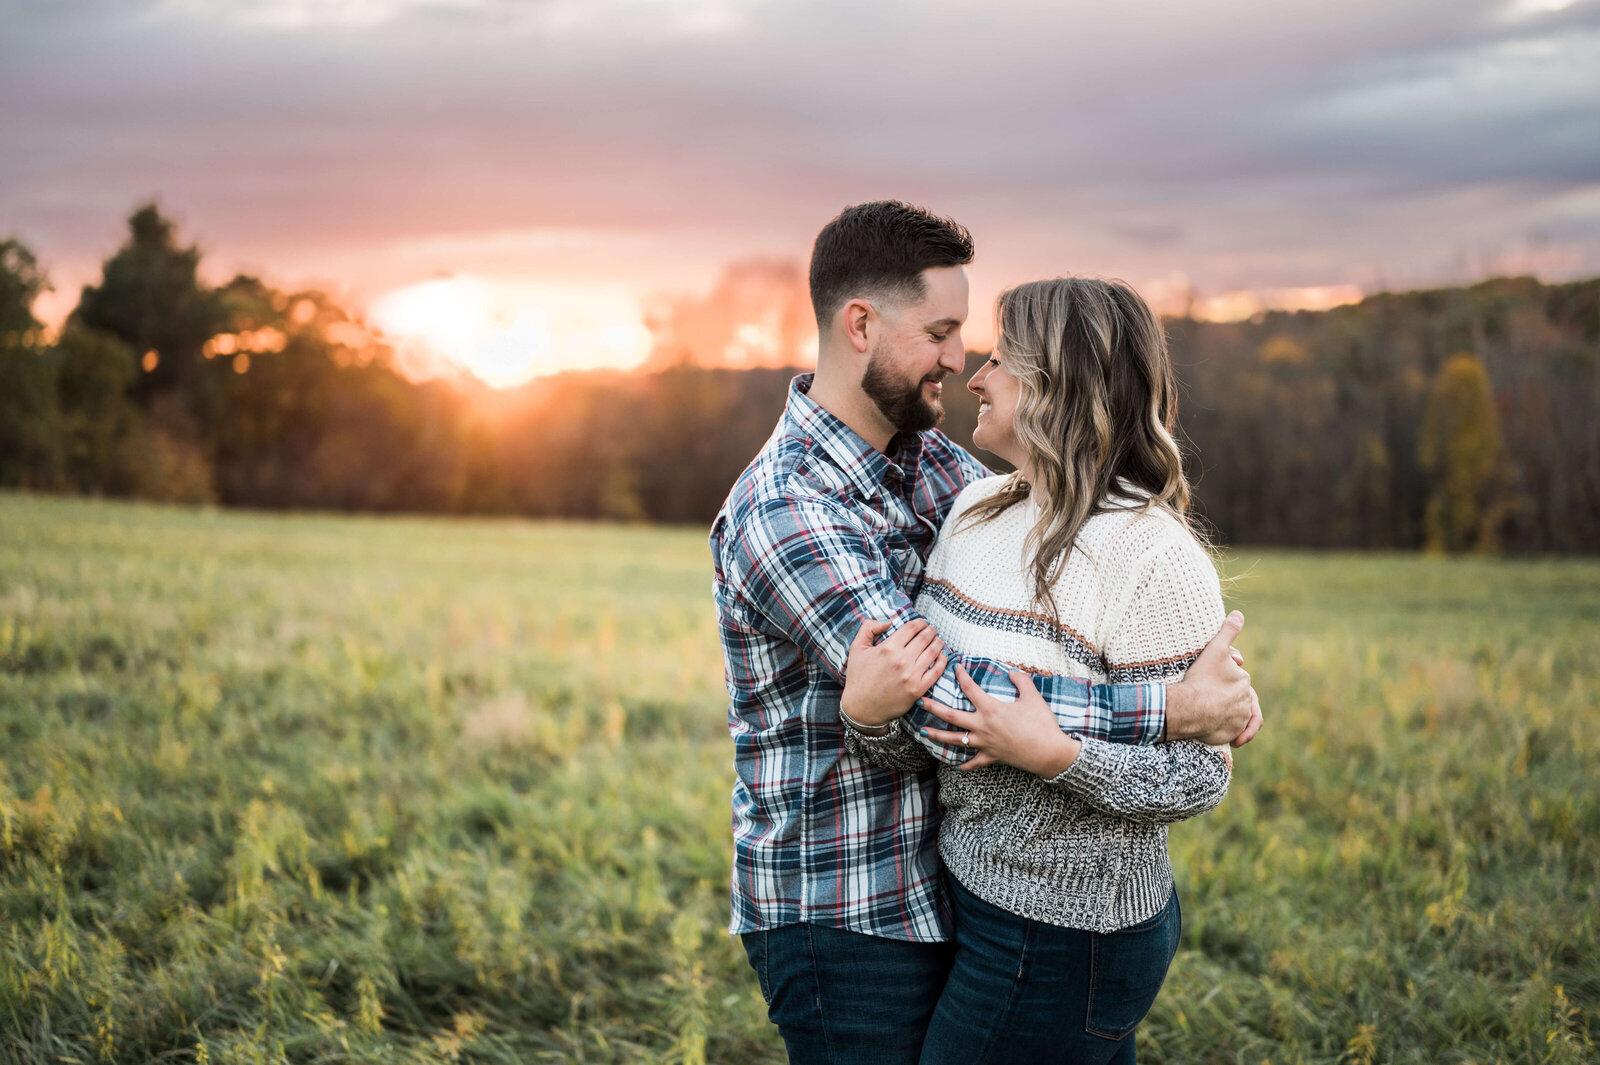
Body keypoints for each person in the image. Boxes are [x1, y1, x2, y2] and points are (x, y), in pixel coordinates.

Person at [708, 202, 1261, 1065]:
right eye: (941, 330)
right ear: (861, 325)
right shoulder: (787, 507)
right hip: (846, 904)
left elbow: (1054, 582)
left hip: (962, 887)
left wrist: (1192, 686)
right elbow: (943, 694)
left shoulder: (943, 469)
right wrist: (1169, 705)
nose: (960, 360)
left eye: (975, 339)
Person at [839, 276, 1236, 1062]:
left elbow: (1200, 773)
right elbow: (939, 722)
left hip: (1073, 932)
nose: (975, 375)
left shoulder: (1153, 557)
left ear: (1058, 384)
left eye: (999, 357)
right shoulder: (973, 515)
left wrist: (1059, 756)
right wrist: (870, 715)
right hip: (964, 894)